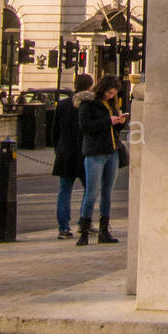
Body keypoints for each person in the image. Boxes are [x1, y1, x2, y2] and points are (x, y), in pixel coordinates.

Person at [76, 75, 127, 246]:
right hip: (95, 152)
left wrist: (119, 122)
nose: (111, 96)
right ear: (102, 89)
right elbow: (85, 126)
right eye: (109, 93)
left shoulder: (111, 104)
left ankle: (104, 230)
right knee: (92, 192)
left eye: (114, 94)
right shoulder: (88, 103)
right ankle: (84, 230)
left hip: (111, 151)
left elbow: (113, 129)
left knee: (108, 193)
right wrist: (107, 121)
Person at [51, 73, 91, 240]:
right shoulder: (90, 104)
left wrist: (58, 149)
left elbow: (54, 131)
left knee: (64, 190)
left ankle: (63, 227)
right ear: (90, 86)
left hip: (65, 152)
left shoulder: (63, 104)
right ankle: (84, 222)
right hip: (84, 152)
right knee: (89, 189)